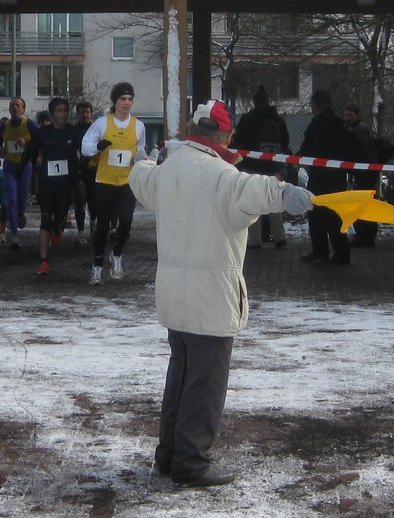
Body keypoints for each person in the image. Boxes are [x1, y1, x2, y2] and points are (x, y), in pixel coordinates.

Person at [128, 99, 314, 487]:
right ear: (225, 134)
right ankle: (192, 462)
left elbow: (141, 178)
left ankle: (169, 454)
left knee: (180, 374)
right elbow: (255, 188)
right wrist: (286, 194)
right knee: (206, 383)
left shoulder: (169, 170)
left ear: (195, 131)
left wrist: (141, 160)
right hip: (210, 298)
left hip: (174, 297)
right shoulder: (222, 175)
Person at [81, 82, 146, 285]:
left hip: (127, 181)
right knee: (102, 226)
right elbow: (85, 147)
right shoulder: (102, 123)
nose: (126, 103)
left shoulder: (138, 126)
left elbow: (140, 150)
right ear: (115, 102)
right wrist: (98, 147)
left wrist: (142, 160)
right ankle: (97, 265)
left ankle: (116, 255)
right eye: (122, 99)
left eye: (129, 99)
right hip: (104, 181)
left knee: (126, 221)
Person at [16, 98, 80, 276]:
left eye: (65, 110)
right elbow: (29, 151)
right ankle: (43, 260)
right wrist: (20, 169)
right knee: (45, 220)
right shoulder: (42, 133)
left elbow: (86, 150)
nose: (63, 114)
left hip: (66, 184)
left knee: (60, 218)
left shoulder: (73, 132)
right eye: (59, 111)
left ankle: (58, 228)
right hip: (47, 184)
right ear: (52, 114)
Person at [298, 90, 363, 265]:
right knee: (334, 216)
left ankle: (321, 251)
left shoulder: (316, 125)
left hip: (319, 177)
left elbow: (307, 147)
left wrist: (295, 159)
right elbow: (353, 147)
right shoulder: (338, 125)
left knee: (317, 214)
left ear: (316, 105)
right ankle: (341, 252)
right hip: (336, 177)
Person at [230, 85, 290, 249]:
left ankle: (255, 240)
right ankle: (280, 237)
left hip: (251, 165)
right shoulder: (277, 119)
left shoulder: (248, 118)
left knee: (253, 199)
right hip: (272, 166)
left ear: (254, 102)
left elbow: (237, 138)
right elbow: (285, 141)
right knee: (272, 198)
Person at [0, 97, 38, 250]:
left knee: (21, 199)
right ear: (9, 109)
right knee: (11, 199)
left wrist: (26, 143)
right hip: (10, 166)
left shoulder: (29, 124)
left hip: (25, 166)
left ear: (23, 109)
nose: (15, 108)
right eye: (12, 105)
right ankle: (14, 236)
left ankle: (20, 214)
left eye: (18, 106)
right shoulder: (4, 126)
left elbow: (39, 140)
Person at [343, 104, 379, 247]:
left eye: (350, 115)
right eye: (346, 115)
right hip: (364, 171)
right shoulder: (359, 129)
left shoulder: (359, 130)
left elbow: (360, 151)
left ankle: (365, 235)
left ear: (357, 115)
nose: (348, 118)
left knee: (362, 204)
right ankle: (366, 235)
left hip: (364, 172)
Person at [73, 101, 97, 244]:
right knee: (80, 200)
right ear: (78, 114)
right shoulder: (74, 130)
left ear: (91, 113)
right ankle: (81, 231)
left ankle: (93, 224)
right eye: (82, 112)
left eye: (87, 112)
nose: (85, 114)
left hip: (94, 171)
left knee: (93, 201)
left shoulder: (96, 129)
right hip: (78, 171)